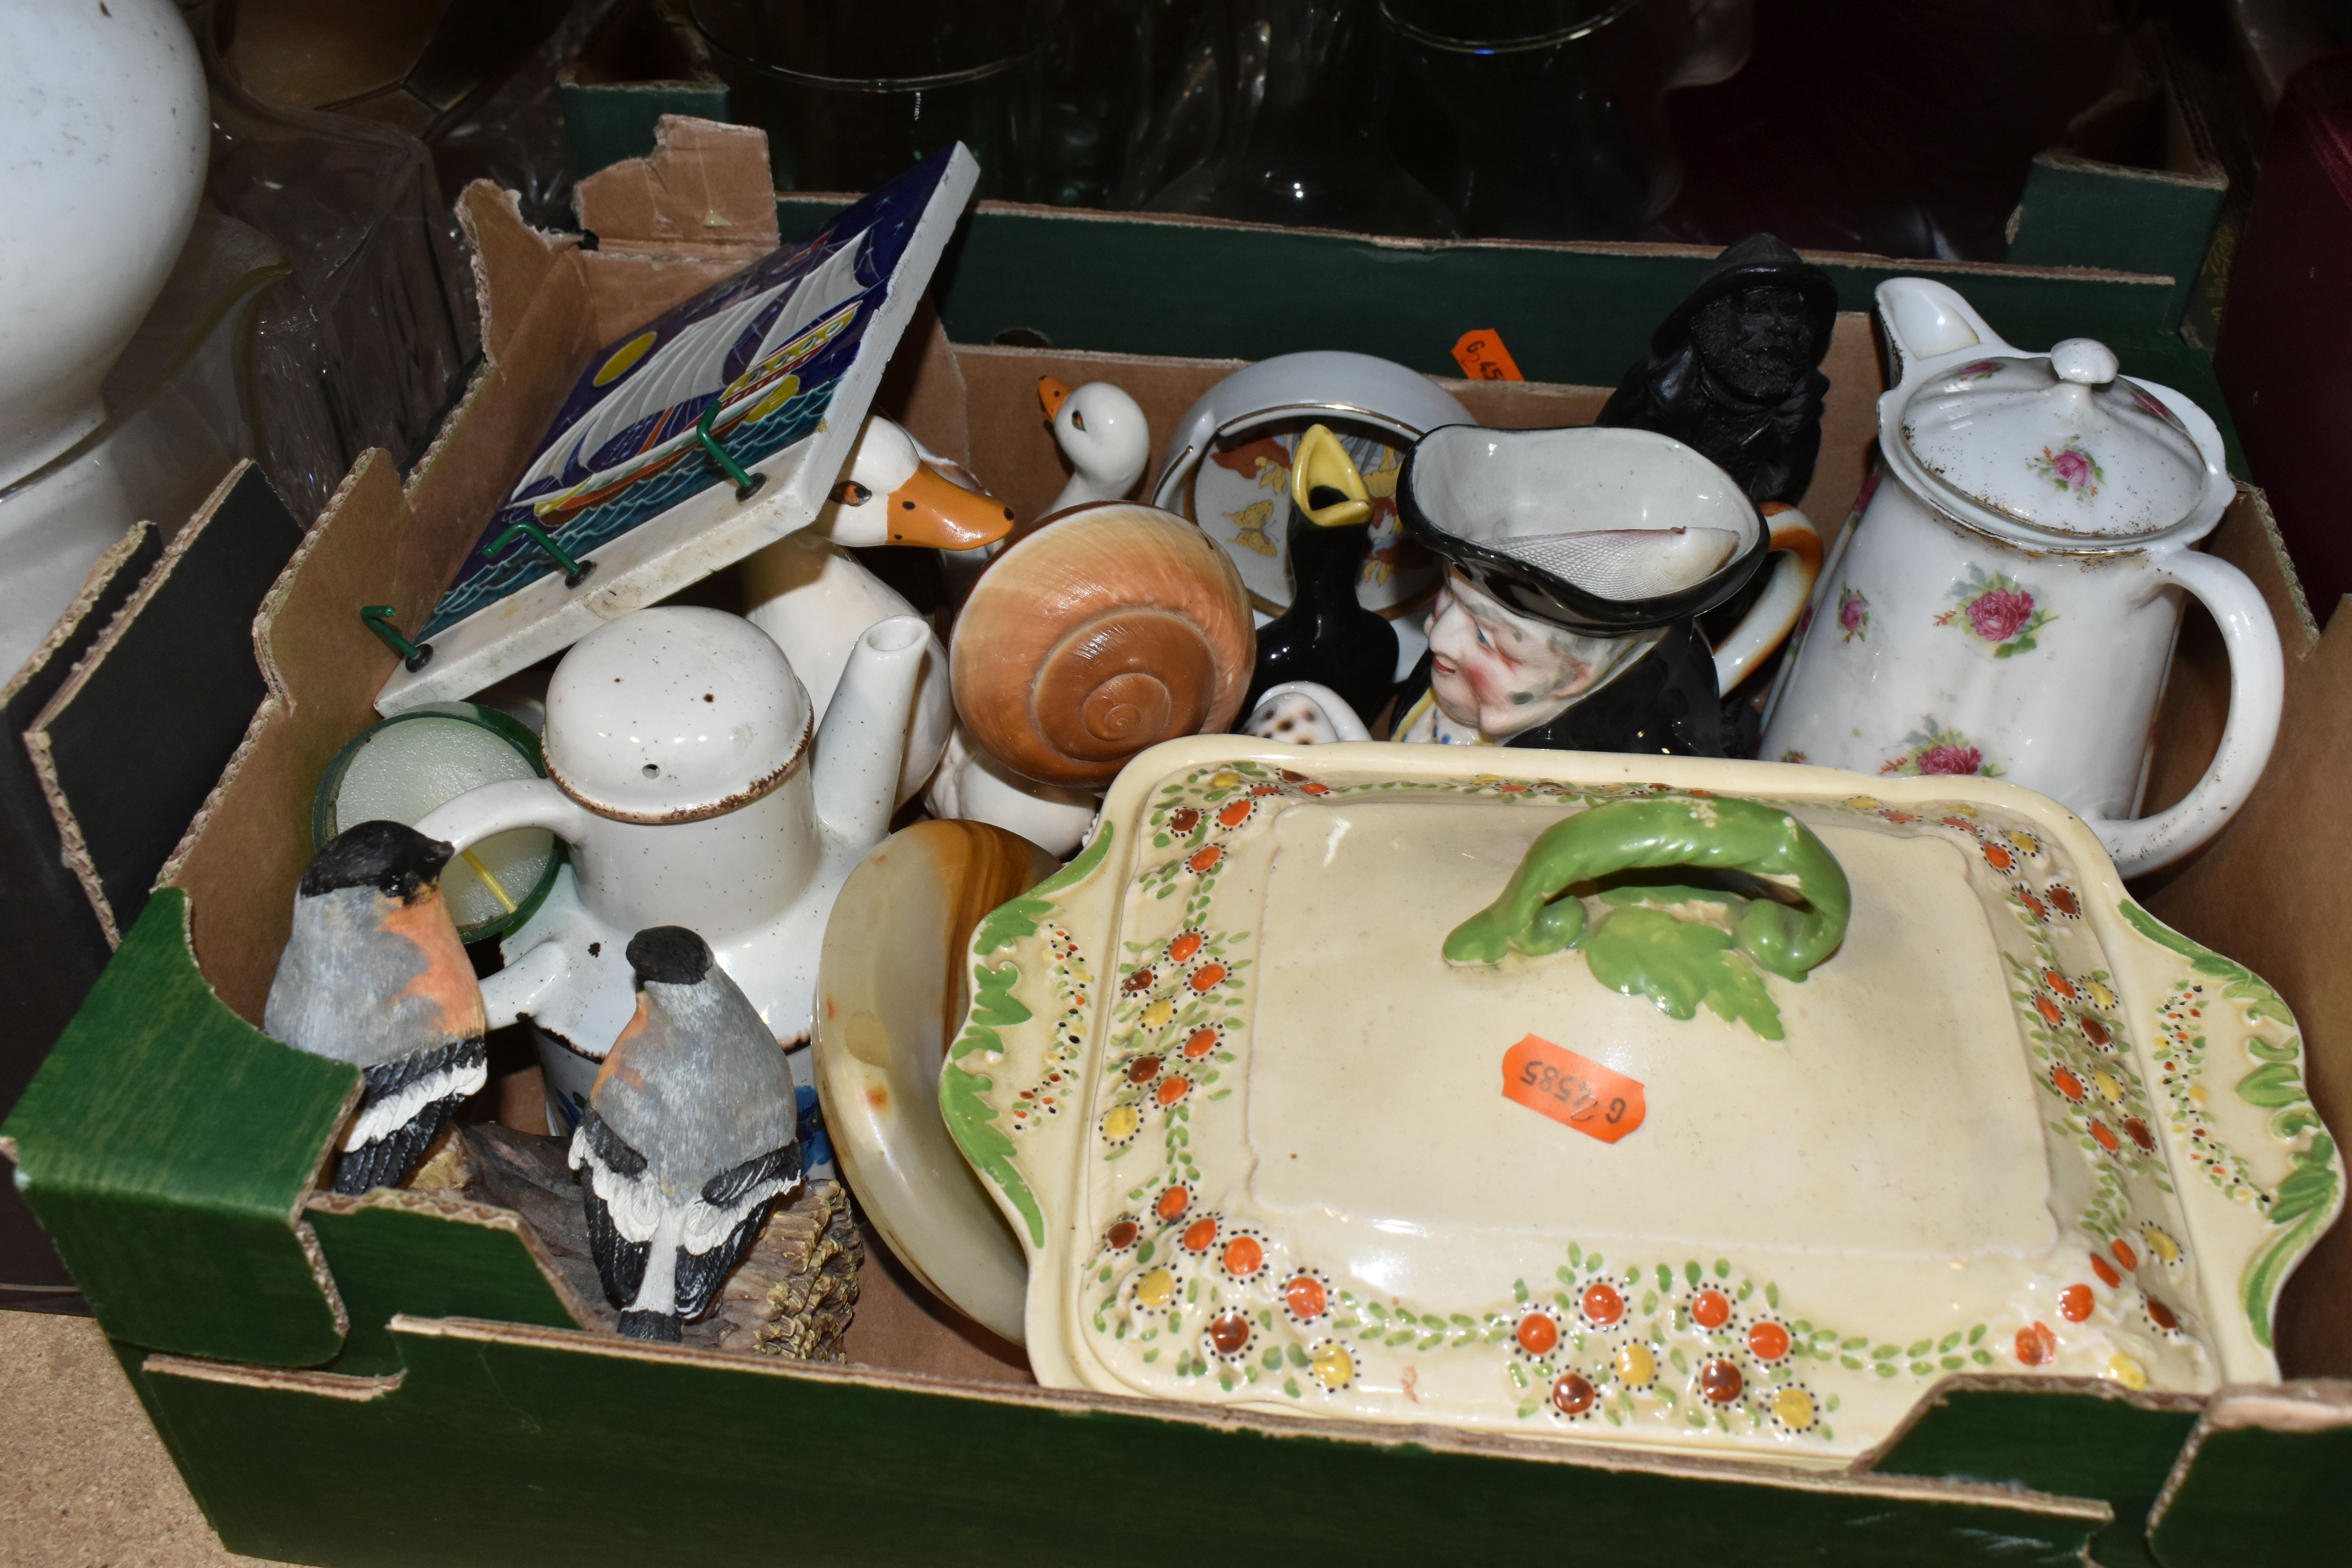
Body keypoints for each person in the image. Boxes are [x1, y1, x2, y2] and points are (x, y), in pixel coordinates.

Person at [1597, 233, 1837, 508]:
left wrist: (1790, 435)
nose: (1778, 326)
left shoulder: (1799, 413)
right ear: (1714, 318)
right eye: (1757, 309)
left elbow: (1776, 505)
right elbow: (1597, 465)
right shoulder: (1658, 391)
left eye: (1790, 313)